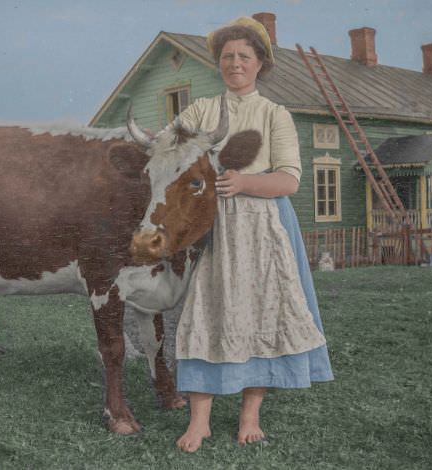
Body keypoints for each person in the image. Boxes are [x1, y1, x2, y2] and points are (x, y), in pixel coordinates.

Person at [173, 16, 334, 452]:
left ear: (261, 63)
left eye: (245, 56)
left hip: (263, 228)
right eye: (227, 56)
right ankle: (199, 421)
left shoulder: (274, 114)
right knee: (205, 313)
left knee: (261, 314)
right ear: (218, 64)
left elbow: (290, 181)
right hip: (211, 228)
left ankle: (250, 416)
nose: (235, 63)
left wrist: (244, 183)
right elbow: (166, 147)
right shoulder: (200, 110)